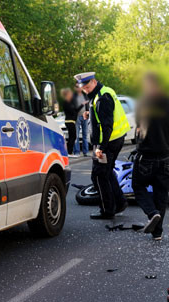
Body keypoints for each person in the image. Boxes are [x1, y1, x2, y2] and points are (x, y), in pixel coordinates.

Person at [75, 71, 129, 220]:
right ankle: (119, 202)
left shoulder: (102, 98)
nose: (85, 90)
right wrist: (88, 113)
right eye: (83, 88)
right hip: (114, 140)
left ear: (93, 81)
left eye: (86, 87)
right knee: (107, 172)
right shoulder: (104, 91)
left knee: (98, 176)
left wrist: (101, 148)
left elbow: (106, 125)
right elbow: (97, 111)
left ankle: (107, 210)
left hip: (108, 142)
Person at [133, 72, 169, 241]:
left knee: (137, 185)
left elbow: (140, 128)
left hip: (147, 155)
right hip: (166, 155)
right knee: (161, 194)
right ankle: (157, 233)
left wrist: (139, 144)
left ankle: (152, 213)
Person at [73, 86, 90, 156]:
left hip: (85, 117)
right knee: (76, 136)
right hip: (77, 117)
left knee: (85, 135)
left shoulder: (85, 95)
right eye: (77, 87)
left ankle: (85, 152)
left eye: (80, 87)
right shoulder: (73, 96)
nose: (79, 88)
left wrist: (88, 112)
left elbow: (88, 105)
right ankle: (76, 152)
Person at [60, 88, 78, 155]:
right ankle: (69, 152)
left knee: (72, 137)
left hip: (72, 121)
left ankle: (69, 152)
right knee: (72, 137)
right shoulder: (66, 102)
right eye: (70, 93)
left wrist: (81, 105)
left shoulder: (70, 102)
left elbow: (75, 110)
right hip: (69, 121)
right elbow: (73, 111)